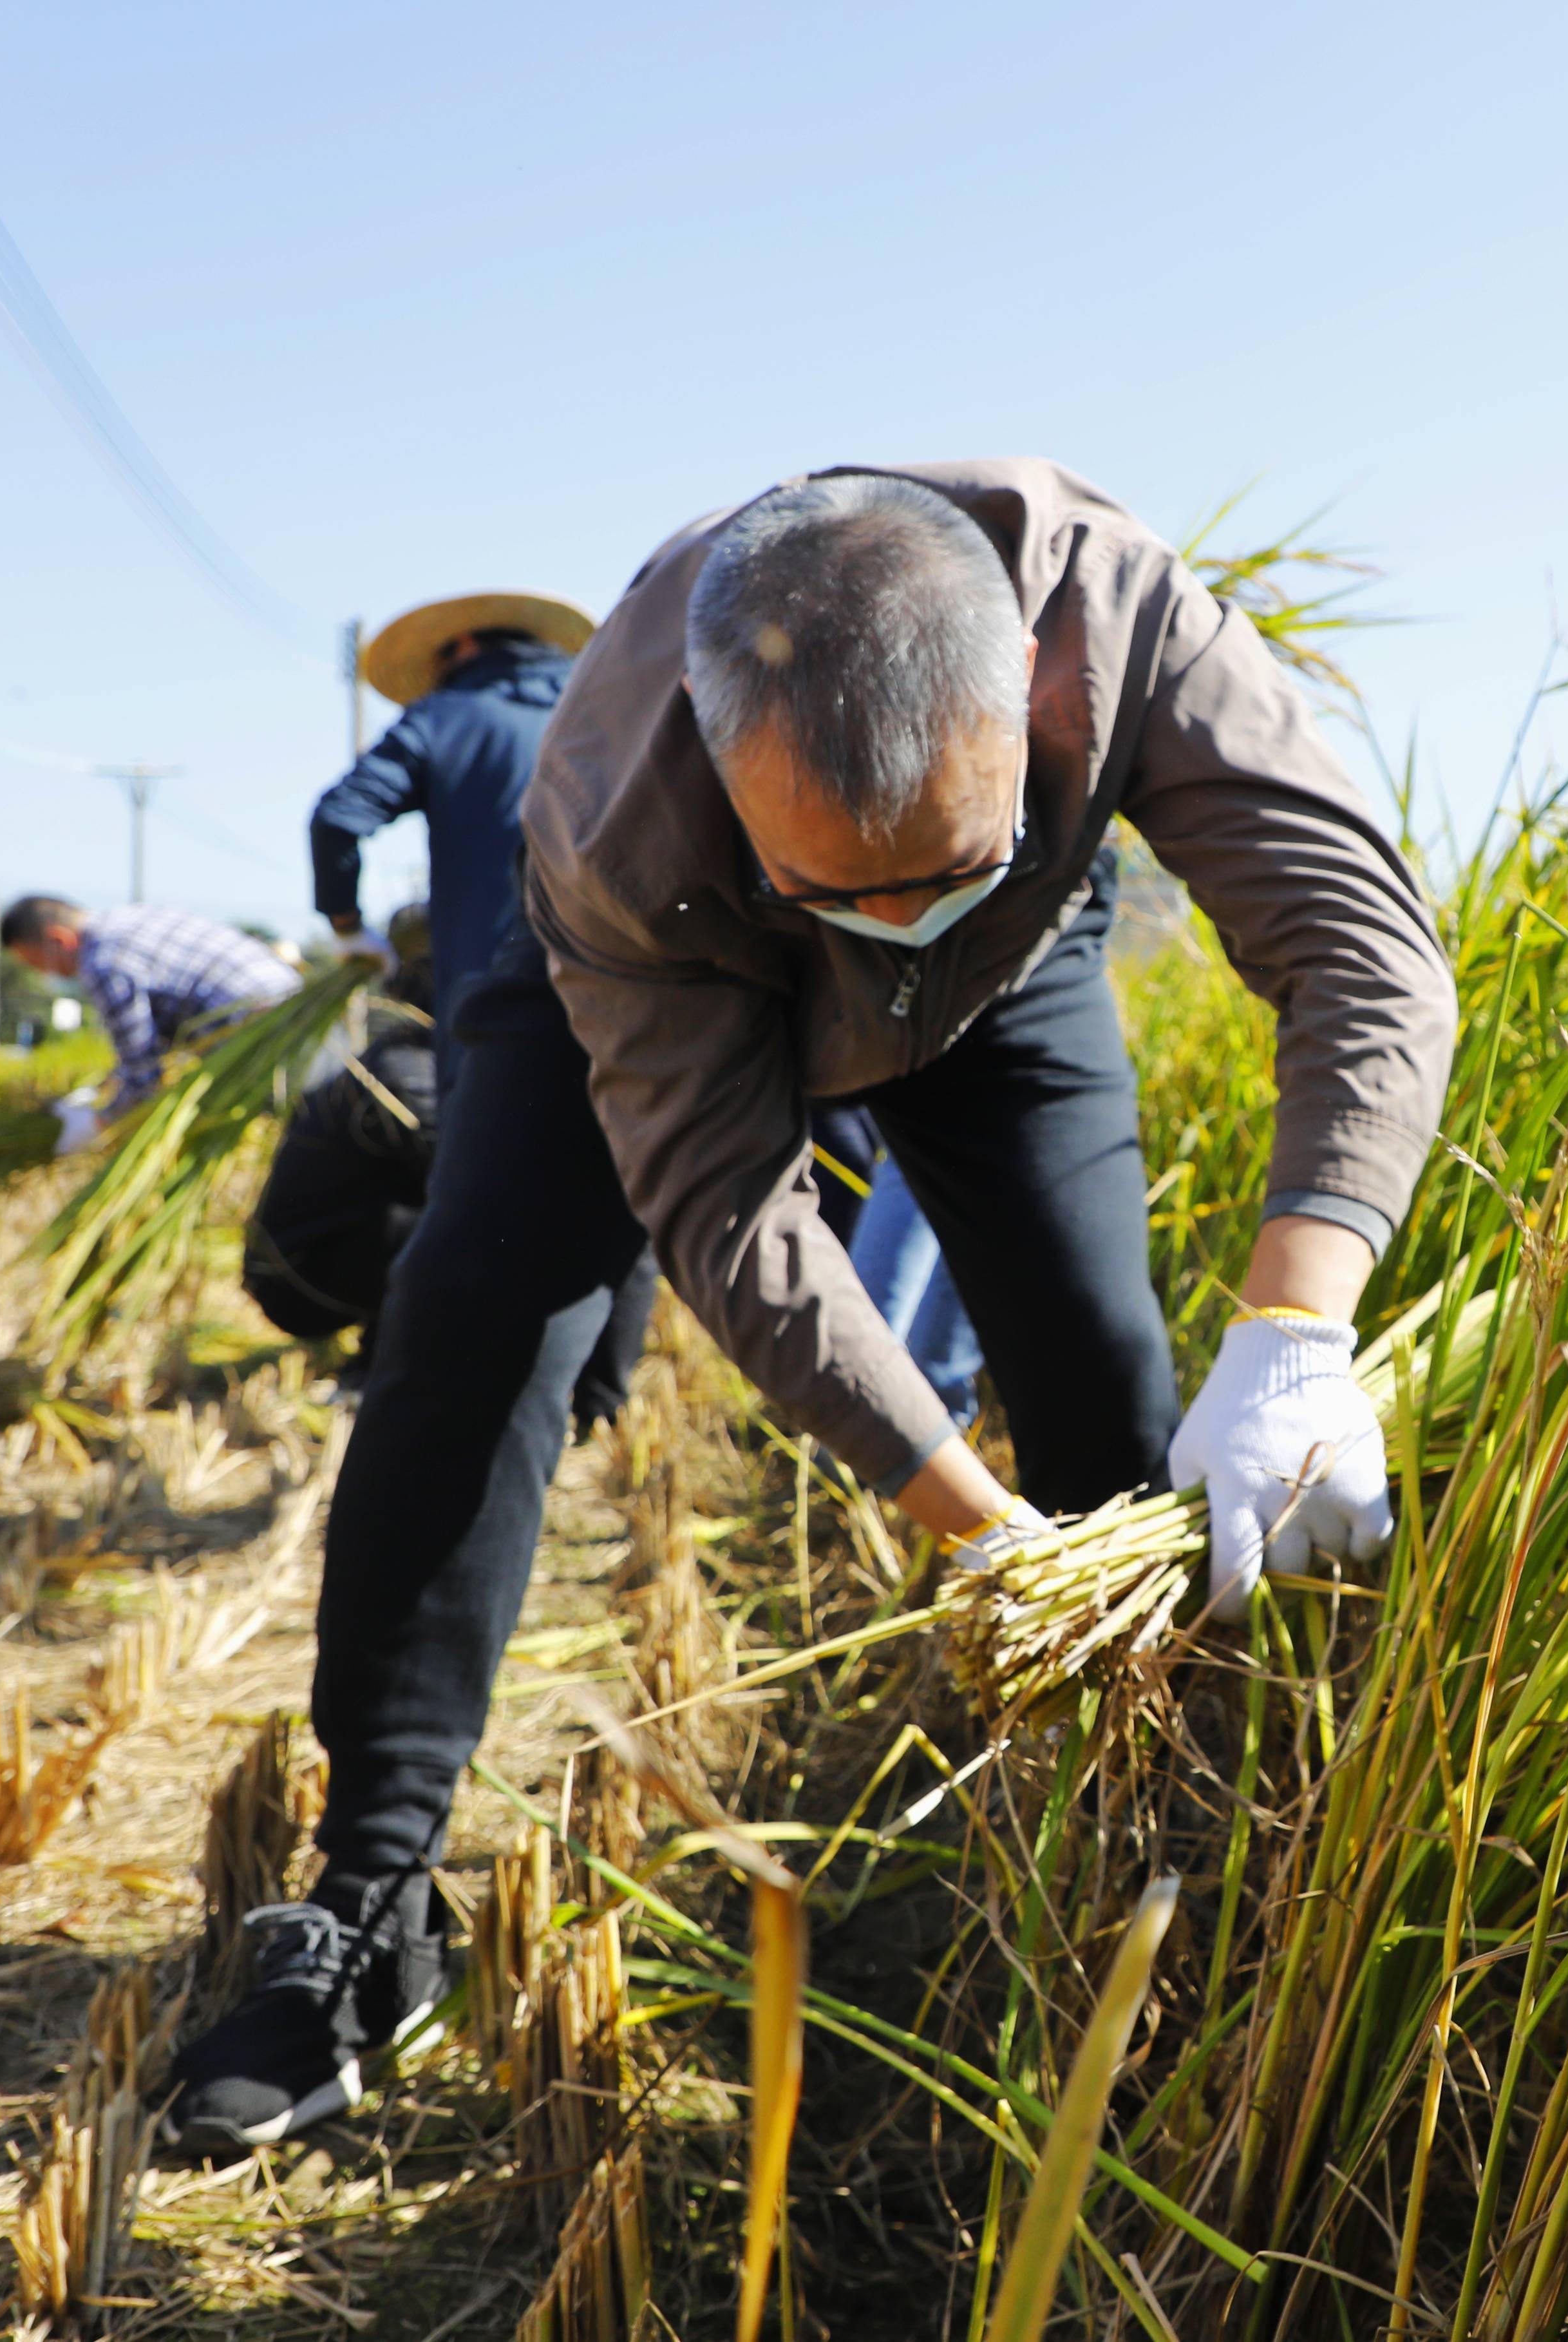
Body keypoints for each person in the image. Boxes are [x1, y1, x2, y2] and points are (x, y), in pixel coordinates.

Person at [162, 462, 1454, 2149]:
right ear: (720, 760)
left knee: (1103, 1381)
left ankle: (1151, 1872)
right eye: (851, 886)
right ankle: (371, 1898)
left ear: (1035, 703)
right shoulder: (610, 805)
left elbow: (1362, 946)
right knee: (470, 1327)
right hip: (655, 974)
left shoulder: (1127, 626)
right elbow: (727, 1214)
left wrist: (1296, 1328)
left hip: (1008, 979)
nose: (889, 919)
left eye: (934, 859)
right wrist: (972, 1525)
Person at [241, 906, 976, 1429]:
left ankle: (561, 1390)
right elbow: (496, 1195)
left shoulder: (401, 1057)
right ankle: (436, 1377)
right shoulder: (404, 1071)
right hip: (306, 1277)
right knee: (496, 1226)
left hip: (321, 1259)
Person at [312, 592, 594, 1002]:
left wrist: (348, 927)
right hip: (621, 990)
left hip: (492, 993)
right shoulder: (601, 708)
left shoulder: (443, 716)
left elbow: (337, 819)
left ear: (464, 645)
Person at [0, 897, 300, 1145]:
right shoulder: (130, 919)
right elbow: (154, 1040)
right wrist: (103, 1089)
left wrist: (97, 1124)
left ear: (58, 940)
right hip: (297, 1004)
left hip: (270, 1041)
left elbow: (145, 1077)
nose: (45, 974)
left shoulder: (103, 964)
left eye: (36, 963)